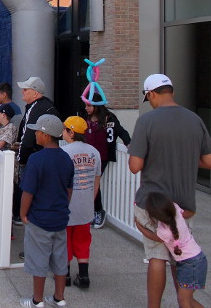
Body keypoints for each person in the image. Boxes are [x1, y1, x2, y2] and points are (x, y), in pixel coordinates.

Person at [129, 73, 211, 308]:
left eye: (148, 98)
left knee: (157, 257)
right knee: (180, 255)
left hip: (153, 203)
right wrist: (184, 158)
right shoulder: (195, 120)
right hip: (184, 205)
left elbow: (135, 166)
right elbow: (208, 160)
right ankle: (183, 302)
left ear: (151, 93)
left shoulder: (147, 121)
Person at [19, 114, 74, 308]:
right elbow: (69, 189)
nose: (34, 134)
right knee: (60, 259)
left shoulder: (36, 159)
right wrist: (63, 208)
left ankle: (37, 300)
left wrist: (23, 214)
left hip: (39, 217)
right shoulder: (66, 158)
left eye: (37, 131)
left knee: (38, 260)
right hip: (60, 217)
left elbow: (28, 191)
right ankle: (59, 298)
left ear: (45, 134)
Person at [135, 192, 207, 308]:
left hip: (190, 265)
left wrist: (139, 226)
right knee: (188, 300)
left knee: (184, 301)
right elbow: (189, 212)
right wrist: (193, 211)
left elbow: (153, 237)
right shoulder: (176, 208)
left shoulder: (164, 231)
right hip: (197, 260)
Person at [61, 116, 101, 289]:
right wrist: (90, 200)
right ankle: (84, 275)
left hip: (67, 204)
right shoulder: (94, 152)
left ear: (71, 132)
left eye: (64, 129)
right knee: (83, 239)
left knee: (65, 239)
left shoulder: (65, 152)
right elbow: (96, 180)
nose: (62, 132)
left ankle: (66, 274)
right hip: (86, 204)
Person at [13, 77, 60, 225]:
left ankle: (25, 217)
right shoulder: (44, 106)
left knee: (28, 190)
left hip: (34, 158)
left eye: (26, 89)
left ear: (35, 93)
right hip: (47, 156)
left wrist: (21, 159)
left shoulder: (36, 108)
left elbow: (27, 138)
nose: (22, 91)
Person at [82, 92, 131, 229]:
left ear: (97, 106)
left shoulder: (110, 118)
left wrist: (128, 143)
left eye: (89, 105)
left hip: (102, 156)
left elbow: (122, 132)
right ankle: (92, 211)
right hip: (88, 156)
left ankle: (98, 211)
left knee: (92, 182)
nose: (86, 108)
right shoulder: (86, 117)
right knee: (88, 182)